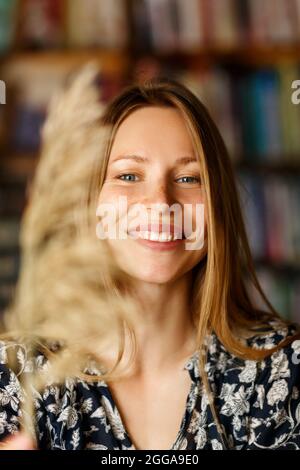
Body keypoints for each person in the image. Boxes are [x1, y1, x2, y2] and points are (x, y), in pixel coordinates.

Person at [0, 76, 300, 450]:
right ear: (90, 203)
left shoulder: (286, 371)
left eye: (190, 178)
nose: (160, 203)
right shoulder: (13, 377)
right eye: (129, 175)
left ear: (219, 207)